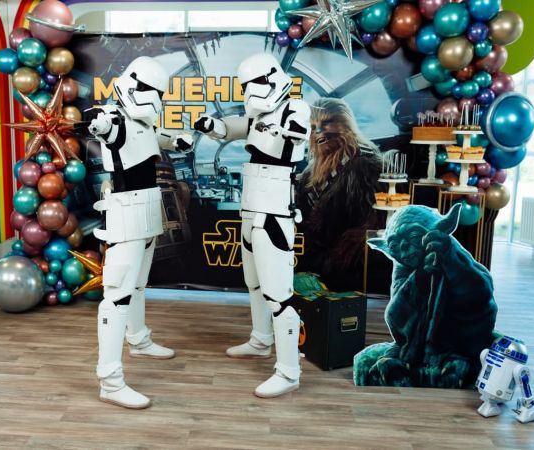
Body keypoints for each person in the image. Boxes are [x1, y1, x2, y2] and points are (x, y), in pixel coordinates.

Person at [194, 53, 311, 398]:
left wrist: (292, 131)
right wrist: (211, 126)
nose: (250, 92)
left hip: (274, 211)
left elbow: (299, 129)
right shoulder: (259, 116)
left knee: (278, 294)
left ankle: (289, 371)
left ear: (273, 79)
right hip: (251, 208)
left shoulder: (294, 108)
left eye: (255, 83)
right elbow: (231, 128)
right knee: (255, 283)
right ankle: (261, 340)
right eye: (246, 86)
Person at [82, 56, 192, 409]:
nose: (153, 98)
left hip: (148, 208)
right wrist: (96, 119)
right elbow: (102, 123)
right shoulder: (116, 119)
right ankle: (110, 381)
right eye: (148, 89)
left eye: (158, 92)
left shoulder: (142, 124)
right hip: (126, 213)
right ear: (131, 85)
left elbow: (157, 137)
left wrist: (178, 141)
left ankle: (139, 339)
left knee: (139, 285)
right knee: (117, 296)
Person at [296, 98, 383, 291]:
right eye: (313, 126)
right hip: (320, 263)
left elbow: (368, 228)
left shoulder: (364, 164)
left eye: (327, 123)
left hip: (347, 272)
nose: (319, 131)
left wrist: (329, 262)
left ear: (346, 123)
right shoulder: (312, 168)